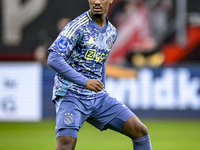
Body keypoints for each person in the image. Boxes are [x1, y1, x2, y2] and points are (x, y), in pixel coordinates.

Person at [47, 0, 153, 150]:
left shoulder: (111, 32)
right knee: (66, 145)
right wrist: (85, 82)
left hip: (97, 97)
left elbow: (100, 61)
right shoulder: (77, 26)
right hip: (71, 96)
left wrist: (102, 88)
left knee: (140, 131)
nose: (97, 1)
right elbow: (53, 58)